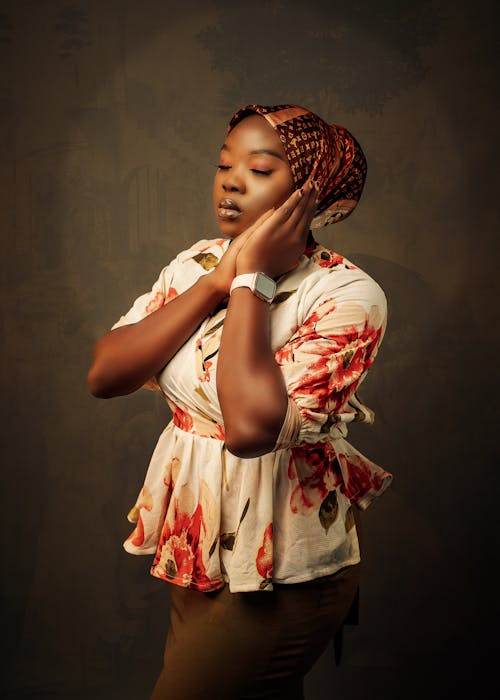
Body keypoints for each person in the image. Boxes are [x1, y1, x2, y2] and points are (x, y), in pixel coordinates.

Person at [88, 104, 393, 700]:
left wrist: (252, 278)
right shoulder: (196, 264)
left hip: (283, 573)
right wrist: (214, 284)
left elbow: (251, 428)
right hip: (197, 554)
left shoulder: (347, 294)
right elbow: (106, 374)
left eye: (259, 169)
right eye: (224, 165)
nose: (229, 180)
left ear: (311, 191)